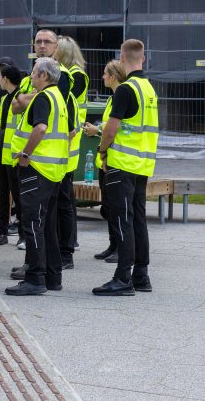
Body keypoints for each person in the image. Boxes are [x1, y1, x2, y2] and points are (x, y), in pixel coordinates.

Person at [93, 39, 159, 296]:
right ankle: (141, 274)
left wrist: (101, 150)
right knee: (138, 219)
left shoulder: (126, 89)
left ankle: (122, 277)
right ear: (143, 58)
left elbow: (111, 128)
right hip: (142, 164)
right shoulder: (149, 89)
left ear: (122, 59)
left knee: (122, 219)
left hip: (121, 164)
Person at [6, 58, 70, 296]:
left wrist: (25, 153)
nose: (30, 77)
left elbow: (40, 128)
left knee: (32, 223)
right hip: (53, 171)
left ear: (44, 75)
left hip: (38, 168)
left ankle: (35, 278)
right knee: (48, 226)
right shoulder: (58, 98)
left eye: (33, 73)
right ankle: (53, 277)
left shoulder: (43, 97)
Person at [82, 60, 127, 263]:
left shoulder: (121, 96)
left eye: (105, 74)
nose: (102, 77)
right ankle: (113, 244)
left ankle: (120, 248)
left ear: (113, 76)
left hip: (114, 160)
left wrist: (97, 131)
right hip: (106, 161)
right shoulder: (112, 99)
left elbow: (117, 129)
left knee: (116, 208)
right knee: (108, 206)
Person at [54, 36, 88, 269]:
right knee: (63, 200)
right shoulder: (66, 74)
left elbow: (65, 105)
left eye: (55, 47)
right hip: (63, 141)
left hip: (69, 140)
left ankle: (68, 246)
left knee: (65, 200)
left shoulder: (73, 76)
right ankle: (65, 245)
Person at [0, 65, 22, 246]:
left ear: (6, 78)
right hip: (0, 153)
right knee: (2, 194)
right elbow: (1, 129)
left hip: (14, 155)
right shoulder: (4, 99)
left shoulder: (20, 99)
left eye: (0, 77)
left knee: (18, 195)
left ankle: (24, 234)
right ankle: (2, 231)